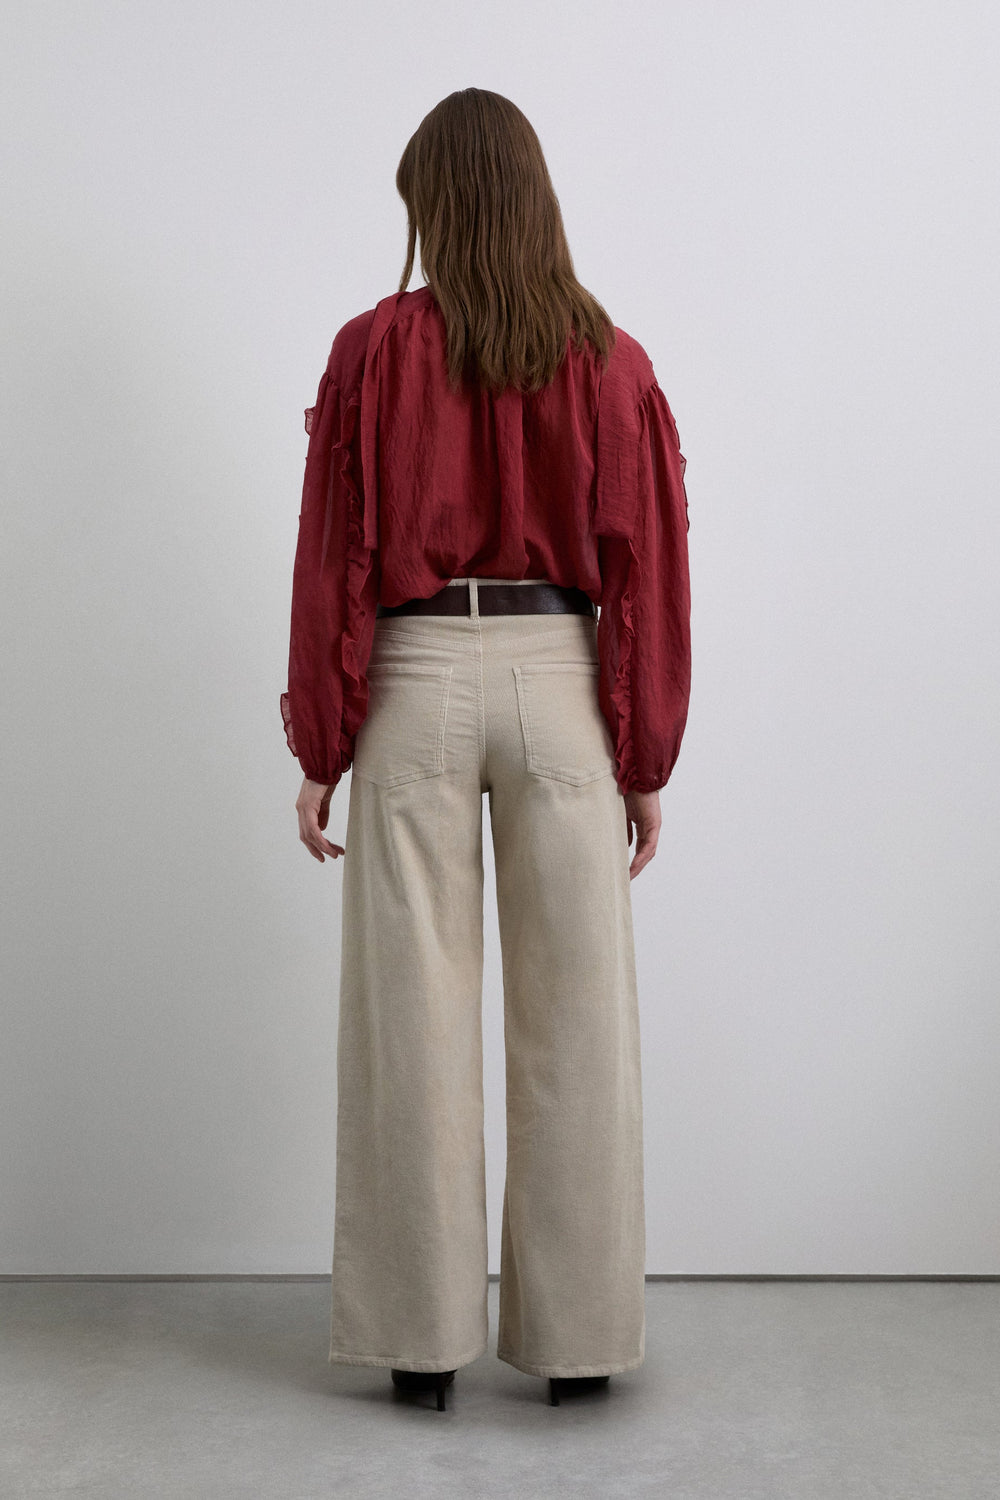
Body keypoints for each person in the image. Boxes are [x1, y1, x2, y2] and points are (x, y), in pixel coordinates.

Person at [279, 88, 692, 1411]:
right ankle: (579, 1349)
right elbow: (649, 565)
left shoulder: (373, 352)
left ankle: (420, 1347)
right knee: (580, 1020)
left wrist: (322, 737)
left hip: (413, 678)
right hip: (560, 677)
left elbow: (335, 554)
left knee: (411, 1013)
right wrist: (644, 755)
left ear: (434, 205)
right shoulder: (609, 358)